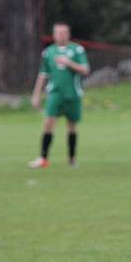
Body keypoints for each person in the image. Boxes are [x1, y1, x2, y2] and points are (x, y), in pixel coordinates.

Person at [29, 22, 90, 168]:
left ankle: (72, 159)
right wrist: (36, 94)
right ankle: (43, 159)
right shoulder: (48, 52)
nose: (60, 35)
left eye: (63, 33)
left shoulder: (77, 50)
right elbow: (43, 74)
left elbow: (85, 69)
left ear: (68, 34)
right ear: (54, 34)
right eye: (57, 33)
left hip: (73, 94)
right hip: (55, 94)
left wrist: (69, 63)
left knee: (72, 126)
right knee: (48, 124)